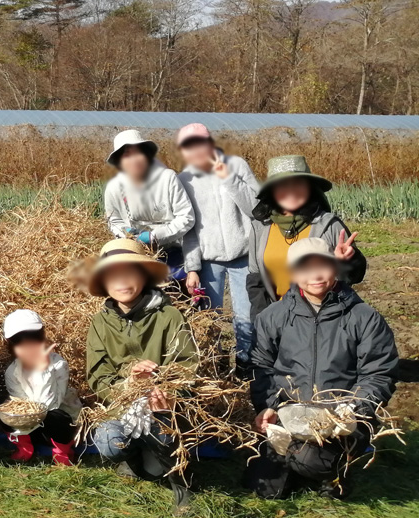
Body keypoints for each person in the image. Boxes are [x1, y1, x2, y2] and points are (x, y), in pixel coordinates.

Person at [247, 238, 397, 499]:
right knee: (266, 489)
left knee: (314, 463)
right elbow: (261, 367)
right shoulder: (273, 316)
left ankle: (337, 463)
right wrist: (268, 405)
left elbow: (378, 373)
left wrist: (354, 408)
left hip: (340, 419)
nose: (314, 275)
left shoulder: (364, 317)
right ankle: (296, 461)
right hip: (289, 415)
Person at [85, 238, 197, 510]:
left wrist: (166, 389)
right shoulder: (100, 323)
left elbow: (187, 363)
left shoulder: (169, 316)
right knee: (108, 441)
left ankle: (183, 483)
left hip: (163, 403)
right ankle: (134, 461)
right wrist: (128, 384)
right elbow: (98, 375)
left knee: (166, 431)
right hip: (124, 404)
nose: (122, 281)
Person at [174, 124, 261, 365]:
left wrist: (229, 179)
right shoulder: (184, 179)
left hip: (244, 257)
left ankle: (246, 366)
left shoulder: (238, 165)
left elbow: (256, 209)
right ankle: (216, 367)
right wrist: (192, 268)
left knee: (245, 317)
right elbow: (188, 228)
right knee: (209, 319)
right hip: (208, 261)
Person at [246, 155, 365, 319]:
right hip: (278, 320)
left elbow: (354, 276)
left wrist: (347, 261)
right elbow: (256, 281)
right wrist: (262, 320)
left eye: (298, 185)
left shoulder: (328, 225)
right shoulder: (260, 228)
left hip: (324, 318)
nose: (291, 192)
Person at [102, 129, 195, 281]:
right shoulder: (114, 187)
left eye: (138, 152)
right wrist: (127, 235)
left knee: (176, 291)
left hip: (172, 249)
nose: (134, 159)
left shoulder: (167, 178)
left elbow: (187, 217)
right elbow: (113, 220)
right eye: (127, 155)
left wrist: (155, 236)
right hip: (135, 251)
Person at [1, 309, 82, 466]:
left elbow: (50, 405)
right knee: (4, 413)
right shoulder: (13, 371)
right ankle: (25, 447)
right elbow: (21, 406)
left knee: (57, 416)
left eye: (33, 336)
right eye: (20, 339)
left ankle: (62, 451)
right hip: (31, 426)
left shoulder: (58, 364)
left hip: (58, 425)